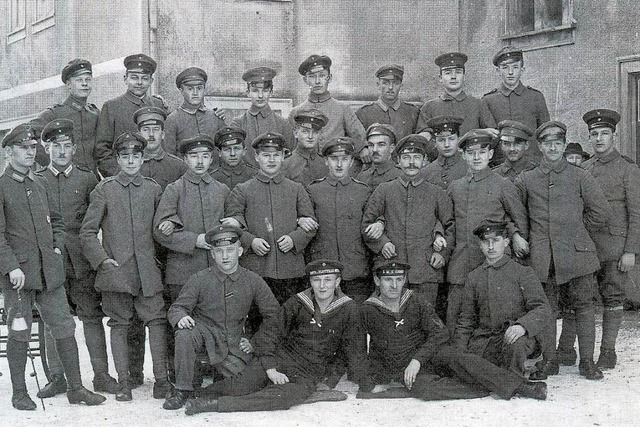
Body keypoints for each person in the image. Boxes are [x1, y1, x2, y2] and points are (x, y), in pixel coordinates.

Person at [0, 124, 106, 410]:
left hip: (50, 273)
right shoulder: (1, 187)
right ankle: (20, 393)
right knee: (19, 331)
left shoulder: (40, 183)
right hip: (19, 277)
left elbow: (56, 221)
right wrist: (11, 268)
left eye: (32, 147)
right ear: (9, 151)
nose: (29, 152)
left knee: (64, 326)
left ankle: (75, 388)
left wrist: (57, 248)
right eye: (23, 148)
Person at [182, 259, 371, 415]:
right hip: (280, 359)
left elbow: (353, 350)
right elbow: (269, 333)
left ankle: (215, 405)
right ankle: (197, 395)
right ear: (310, 282)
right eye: (317, 280)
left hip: (308, 373)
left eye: (328, 280)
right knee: (239, 385)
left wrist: (331, 381)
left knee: (280, 398)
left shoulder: (349, 308)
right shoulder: (298, 302)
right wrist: (271, 368)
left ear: (337, 282)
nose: (322, 286)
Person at [359, 261, 547, 402]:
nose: (394, 285)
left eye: (399, 279)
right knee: (426, 390)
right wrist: (369, 383)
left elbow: (439, 333)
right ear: (377, 280)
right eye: (388, 280)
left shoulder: (415, 300)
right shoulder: (368, 309)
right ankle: (487, 387)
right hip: (403, 367)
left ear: (405, 280)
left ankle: (522, 386)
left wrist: (418, 359)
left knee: (458, 357)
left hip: (429, 355)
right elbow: (358, 349)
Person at [514, 121, 610, 380]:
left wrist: (577, 231)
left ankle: (587, 362)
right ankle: (549, 361)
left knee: (584, 307)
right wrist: (516, 234)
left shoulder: (580, 175)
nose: (553, 148)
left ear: (564, 145)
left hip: (578, 256)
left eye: (558, 143)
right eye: (547, 143)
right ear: (540, 146)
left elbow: (600, 212)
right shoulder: (527, 178)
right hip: (544, 257)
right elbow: (513, 210)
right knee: (547, 309)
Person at [80, 132, 171, 401]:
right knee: (119, 324)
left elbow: (163, 227)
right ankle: (123, 383)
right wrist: (102, 261)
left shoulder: (153, 189)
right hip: (117, 271)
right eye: (125, 156)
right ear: (118, 159)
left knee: (156, 321)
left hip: (148, 272)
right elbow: (87, 233)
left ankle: (162, 381)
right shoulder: (104, 189)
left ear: (143, 159)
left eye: (136, 156)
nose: (131, 161)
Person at [37, 119, 119, 399]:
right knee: (53, 319)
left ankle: (101, 375)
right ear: (46, 148)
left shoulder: (86, 178)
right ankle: (58, 378)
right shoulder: (38, 180)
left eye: (67, 146)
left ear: (74, 148)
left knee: (91, 317)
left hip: (83, 259)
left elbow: (98, 219)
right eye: (55, 146)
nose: (61, 151)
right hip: (50, 260)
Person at [162, 225, 280, 410]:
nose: (225, 256)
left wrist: (254, 341)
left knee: (250, 385)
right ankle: (182, 390)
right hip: (205, 339)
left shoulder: (253, 280)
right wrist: (181, 317)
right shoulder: (199, 279)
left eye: (230, 250)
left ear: (239, 251)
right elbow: (176, 308)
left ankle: (211, 387)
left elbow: (274, 317)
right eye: (219, 251)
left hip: (234, 344)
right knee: (185, 333)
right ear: (213, 254)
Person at [153, 133, 231, 378]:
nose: (200, 161)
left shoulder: (221, 190)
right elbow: (160, 231)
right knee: (182, 324)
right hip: (183, 273)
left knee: (216, 322)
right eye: (194, 156)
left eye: (205, 156)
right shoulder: (174, 190)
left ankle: (217, 371)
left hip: (215, 272)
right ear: (185, 159)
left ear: (212, 159)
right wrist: (194, 240)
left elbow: (233, 223)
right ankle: (180, 376)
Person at [572, 109, 640, 369]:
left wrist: (631, 250)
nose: (599, 139)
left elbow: (636, 213)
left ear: (614, 135)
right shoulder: (584, 169)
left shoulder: (628, 169)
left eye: (604, 133)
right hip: (588, 248)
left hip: (614, 247)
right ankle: (583, 353)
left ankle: (608, 351)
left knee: (612, 298)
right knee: (584, 300)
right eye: (594, 134)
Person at [445, 129, 529, 337]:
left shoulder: (502, 185)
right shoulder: (456, 187)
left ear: (490, 154)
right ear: (463, 155)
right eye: (470, 152)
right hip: (461, 264)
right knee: (456, 318)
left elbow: (519, 220)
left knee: (492, 319)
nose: (476, 157)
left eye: (482, 152)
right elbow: (448, 221)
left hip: (493, 263)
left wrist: (517, 236)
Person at [224, 132, 317, 304]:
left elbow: (310, 224)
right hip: (256, 268)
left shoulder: (296, 189)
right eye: (266, 155)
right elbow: (231, 225)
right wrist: (250, 241)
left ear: (283, 157)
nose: (271, 160)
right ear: (257, 157)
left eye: (276, 155)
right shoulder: (242, 190)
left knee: (290, 317)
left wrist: (294, 238)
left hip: (291, 268)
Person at [362, 134, 454, 305]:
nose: (411, 162)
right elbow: (367, 225)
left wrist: (442, 253)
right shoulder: (384, 190)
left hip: (426, 271)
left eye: (417, 157)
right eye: (406, 157)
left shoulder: (436, 193)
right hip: (390, 269)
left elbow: (450, 226)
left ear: (425, 160)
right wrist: (382, 243)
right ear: (398, 161)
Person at [454, 221, 552, 378]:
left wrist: (522, 326)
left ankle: (513, 379)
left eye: (496, 241)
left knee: (515, 346)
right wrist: (459, 352)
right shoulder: (474, 277)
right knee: (468, 371)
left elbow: (542, 308)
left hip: (515, 337)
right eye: (486, 242)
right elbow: (466, 320)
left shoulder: (522, 272)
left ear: (506, 242)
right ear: (480, 245)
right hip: (485, 340)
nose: (491, 247)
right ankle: (509, 378)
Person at [306, 137, 373, 303]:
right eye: (334, 159)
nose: (339, 164)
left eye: (344, 159)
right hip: (323, 267)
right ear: (326, 162)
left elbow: (371, 221)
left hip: (355, 268)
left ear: (351, 162)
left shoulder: (362, 191)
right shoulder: (313, 190)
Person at [289, 55, 368, 169]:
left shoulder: (343, 109)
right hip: (305, 170)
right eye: (312, 76)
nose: (317, 81)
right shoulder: (296, 112)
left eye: (322, 76)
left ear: (329, 78)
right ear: (305, 80)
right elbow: (291, 147)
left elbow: (360, 140)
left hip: (336, 170)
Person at [95, 53, 166, 177]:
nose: (139, 82)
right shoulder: (111, 107)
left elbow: (165, 145)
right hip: (123, 178)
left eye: (144, 78)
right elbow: (102, 149)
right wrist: (120, 175)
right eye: (134, 77)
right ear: (125, 79)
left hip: (157, 177)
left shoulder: (158, 105)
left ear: (151, 81)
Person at [480, 46, 550, 163]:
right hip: (501, 164)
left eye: (515, 67)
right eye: (505, 68)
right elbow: (489, 138)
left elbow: (545, 134)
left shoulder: (536, 97)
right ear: (498, 71)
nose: (510, 72)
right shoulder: (488, 100)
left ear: (522, 70)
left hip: (532, 164)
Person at [30, 58, 100, 174]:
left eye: (88, 80)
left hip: (92, 181)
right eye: (79, 80)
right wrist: (53, 161)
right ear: (69, 84)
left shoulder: (95, 113)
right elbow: (26, 135)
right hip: (64, 180)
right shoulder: (55, 113)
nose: (84, 84)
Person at [230, 66, 295, 168]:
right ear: (248, 93)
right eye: (255, 91)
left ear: (271, 92)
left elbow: (289, 158)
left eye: (265, 90)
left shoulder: (283, 124)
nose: (260, 96)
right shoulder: (238, 124)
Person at [163, 67, 227, 164]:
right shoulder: (172, 119)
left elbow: (224, 148)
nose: (195, 93)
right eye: (190, 89)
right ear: (181, 91)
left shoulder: (215, 117)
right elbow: (169, 155)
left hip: (213, 175)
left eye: (199, 88)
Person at [416, 52, 481, 139]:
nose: (453, 77)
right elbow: (423, 138)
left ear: (464, 77)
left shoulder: (478, 104)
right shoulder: (429, 107)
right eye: (448, 73)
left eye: (458, 72)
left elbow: (490, 133)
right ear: (440, 78)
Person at [356, 64, 419, 140]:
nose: (390, 87)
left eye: (396, 83)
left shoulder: (412, 112)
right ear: (378, 85)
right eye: (385, 83)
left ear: (401, 86)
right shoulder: (364, 113)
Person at [134, 106, 187, 190]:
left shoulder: (179, 166)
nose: (151, 134)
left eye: (155, 129)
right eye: (146, 129)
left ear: (163, 134)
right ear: (139, 135)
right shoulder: (129, 165)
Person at [283, 109, 329, 187]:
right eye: (305, 131)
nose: (310, 136)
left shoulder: (326, 164)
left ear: (320, 134)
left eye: (315, 132)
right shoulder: (286, 164)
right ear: (296, 133)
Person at [422, 116, 468, 189]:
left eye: (451, 139)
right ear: (435, 143)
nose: (447, 145)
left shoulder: (468, 169)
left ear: (458, 140)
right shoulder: (426, 172)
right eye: (441, 140)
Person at [355, 123, 402, 188]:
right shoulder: (362, 177)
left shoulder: (400, 176)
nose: (374, 150)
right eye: (371, 145)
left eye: (381, 145)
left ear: (391, 148)